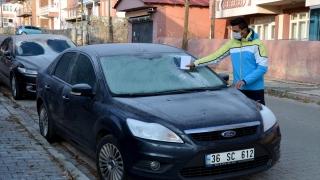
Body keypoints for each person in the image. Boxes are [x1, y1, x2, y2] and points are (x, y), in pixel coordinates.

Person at [186, 17, 268, 105]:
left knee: (259, 115)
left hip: (254, 89)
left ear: (244, 30)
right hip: (238, 89)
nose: (233, 34)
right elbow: (216, 56)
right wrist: (195, 63)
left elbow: (262, 68)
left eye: (236, 31)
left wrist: (245, 81)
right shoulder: (232, 43)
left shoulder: (258, 44)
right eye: (233, 31)